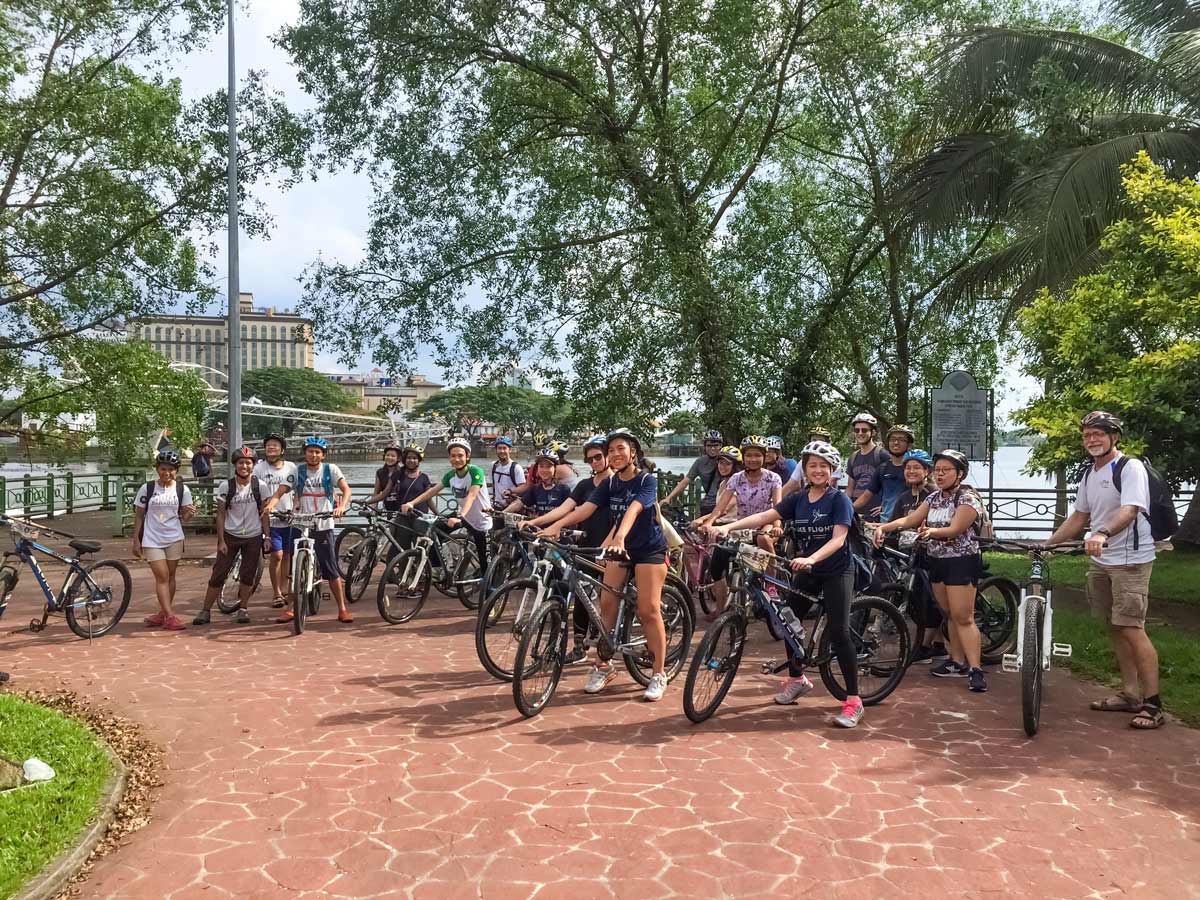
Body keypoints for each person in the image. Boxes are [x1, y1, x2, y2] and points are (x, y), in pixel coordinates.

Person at [710, 440, 864, 728]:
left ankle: (853, 700)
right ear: (804, 470)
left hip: (836, 569)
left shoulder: (838, 499)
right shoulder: (800, 498)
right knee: (787, 621)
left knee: (840, 631)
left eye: (823, 466)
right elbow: (766, 516)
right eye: (811, 465)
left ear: (833, 471)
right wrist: (727, 526)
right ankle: (797, 679)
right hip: (808, 569)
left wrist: (811, 558)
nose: (817, 470)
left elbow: (839, 539)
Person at [1046, 411, 1163, 729]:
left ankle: (1153, 705)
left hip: (1130, 560)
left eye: (1099, 433)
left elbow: (1130, 509)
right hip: (1101, 561)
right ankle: (1129, 694)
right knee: (1114, 626)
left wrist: (1102, 534)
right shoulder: (1089, 473)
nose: (1092, 440)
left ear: (1114, 437)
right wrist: (1048, 545)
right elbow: (1078, 517)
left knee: (1131, 627)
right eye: (1087, 435)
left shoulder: (1129, 467)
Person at [546, 429, 671, 702]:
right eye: (611, 450)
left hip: (648, 550)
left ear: (633, 452)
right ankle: (604, 665)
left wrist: (621, 537)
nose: (614, 455)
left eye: (620, 449)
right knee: (607, 607)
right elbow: (585, 509)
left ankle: (659, 673)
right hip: (619, 550)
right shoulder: (610, 484)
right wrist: (552, 526)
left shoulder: (647, 480)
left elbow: (634, 510)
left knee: (648, 610)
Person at [873, 449, 987, 692]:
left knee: (963, 617)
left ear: (960, 474)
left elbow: (956, 528)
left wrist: (932, 532)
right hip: (937, 561)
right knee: (948, 614)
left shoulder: (968, 499)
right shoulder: (934, 498)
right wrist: (884, 527)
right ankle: (956, 662)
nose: (941, 474)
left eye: (946, 470)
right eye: (938, 470)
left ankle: (975, 669)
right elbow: (911, 519)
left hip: (961, 561)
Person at [531, 434, 612, 663]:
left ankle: (606, 646)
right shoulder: (585, 485)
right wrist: (536, 522)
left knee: (609, 600)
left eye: (598, 457)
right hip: (585, 547)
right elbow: (567, 508)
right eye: (590, 460)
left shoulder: (615, 483)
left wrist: (611, 544)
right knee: (581, 595)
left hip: (610, 550)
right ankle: (579, 647)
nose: (594, 463)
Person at [266, 436, 354, 624]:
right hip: (301, 522)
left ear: (322, 455)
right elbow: (281, 491)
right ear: (305, 453)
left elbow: (346, 490)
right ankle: (291, 608)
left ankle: (342, 608)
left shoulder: (331, 470)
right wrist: (271, 505)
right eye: (310, 451)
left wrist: (341, 507)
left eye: (317, 452)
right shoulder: (297, 471)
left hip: (323, 523)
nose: (313, 455)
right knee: (294, 567)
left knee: (330, 567)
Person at [696, 437, 782, 618]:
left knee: (764, 538)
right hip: (742, 525)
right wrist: (709, 523)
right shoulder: (736, 479)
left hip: (765, 524)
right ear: (743, 457)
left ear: (764, 457)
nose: (753, 459)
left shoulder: (773, 478)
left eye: (757, 455)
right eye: (749, 455)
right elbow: (720, 508)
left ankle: (771, 584)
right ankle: (720, 608)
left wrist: (777, 526)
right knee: (717, 562)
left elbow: (778, 507)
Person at [193, 446, 272, 625]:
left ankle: (243, 609)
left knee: (248, 574)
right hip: (231, 535)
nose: (244, 466)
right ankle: (205, 610)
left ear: (253, 465)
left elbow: (264, 514)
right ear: (235, 465)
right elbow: (220, 515)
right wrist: (220, 540)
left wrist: (267, 537)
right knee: (218, 574)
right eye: (241, 463)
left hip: (253, 535)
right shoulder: (225, 486)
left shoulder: (261, 486)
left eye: (248, 463)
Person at [887, 449, 944, 664]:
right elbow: (897, 522)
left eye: (916, 467)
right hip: (911, 554)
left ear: (927, 471)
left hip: (933, 552)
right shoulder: (904, 497)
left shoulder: (932, 494)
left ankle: (925, 645)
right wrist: (879, 528)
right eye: (907, 467)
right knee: (919, 599)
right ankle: (937, 644)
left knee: (930, 600)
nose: (911, 471)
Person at [402, 437, 492, 572]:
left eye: (460, 455)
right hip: (465, 518)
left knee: (486, 565)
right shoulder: (450, 476)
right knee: (433, 532)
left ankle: (491, 589)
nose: (456, 459)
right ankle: (440, 569)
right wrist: (411, 503)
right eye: (453, 456)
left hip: (481, 522)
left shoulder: (475, 471)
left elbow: (472, 496)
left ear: (468, 457)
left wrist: (460, 516)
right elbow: (432, 491)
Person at [131, 449, 196, 631]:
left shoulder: (182, 489)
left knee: (171, 576)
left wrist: (189, 514)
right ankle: (169, 616)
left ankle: (162, 612)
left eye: (170, 469)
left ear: (176, 471)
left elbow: (184, 516)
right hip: (152, 538)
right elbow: (139, 515)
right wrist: (136, 538)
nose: (166, 473)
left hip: (174, 537)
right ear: (157, 469)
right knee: (162, 576)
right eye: (162, 469)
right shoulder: (148, 488)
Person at [364, 443, 433, 558]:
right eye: (409, 458)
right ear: (404, 459)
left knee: (421, 550)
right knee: (399, 550)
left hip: (420, 517)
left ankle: (417, 574)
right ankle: (396, 574)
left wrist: (438, 514)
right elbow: (384, 493)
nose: (411, 460)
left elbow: (429, 499)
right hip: (403, 517)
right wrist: (367, 502)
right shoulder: (397, 475)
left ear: (419, 460)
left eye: (415, 458)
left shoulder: (424, 478)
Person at [253, 433, 298, 609]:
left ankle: (284, 589)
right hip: (270, 518)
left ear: (283, 450)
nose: (271, 448)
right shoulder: (259, 468)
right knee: (276, 555)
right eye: (269, 445)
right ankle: (276, 592)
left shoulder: (291, 467)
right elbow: (255, 490)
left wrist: (296, 506)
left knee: (288, 554)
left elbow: (297, 489)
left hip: (289, 516)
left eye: (275, 446)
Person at [852, 424, 915, 522]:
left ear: (909, 444)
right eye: (892, 439)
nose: (896, 443)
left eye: (901, 440)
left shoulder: (913, 469)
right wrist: (847, 509)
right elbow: (866, 495)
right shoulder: (883, 468)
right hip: (884, 523)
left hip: (907, 523)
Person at [662, 429, 724, 515]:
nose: (712, 448)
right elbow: (685, 481)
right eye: (709, 446)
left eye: (716, 445)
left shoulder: (728, 460)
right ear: (704, 446)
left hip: (726, 504)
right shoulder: (700, 462)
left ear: (721, 446)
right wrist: (669, 497)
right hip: (709, 504)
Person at [505, 448, 571, 517]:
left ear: (555, 468)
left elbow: (570, 513)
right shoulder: (535, 489)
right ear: (537, 468)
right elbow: (518, 504)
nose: (544, 470)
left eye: (549, 466)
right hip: (538, 525)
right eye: (541, 466)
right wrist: (501, 513)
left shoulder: (564, 489)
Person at [846, 413, 887, 517]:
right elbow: (850, 488)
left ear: (873, 432)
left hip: (875, 514)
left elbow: (893, 486)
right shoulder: (853, 457)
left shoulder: (882, 455)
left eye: (864, 430)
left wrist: (886, 506)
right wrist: (844, 506)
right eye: (856, 430)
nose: (860, 433)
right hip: (855, 512)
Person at [489, 437, 525, 506]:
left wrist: (511, 492)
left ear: (510, 450)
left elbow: (523, 487)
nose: (502, 451)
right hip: (496, 504)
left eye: (504, 448)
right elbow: (493, 484)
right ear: (496, 450)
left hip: (510, 505)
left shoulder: (516, 468)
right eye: (499, 448)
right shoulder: (493, 466)